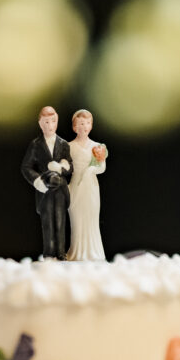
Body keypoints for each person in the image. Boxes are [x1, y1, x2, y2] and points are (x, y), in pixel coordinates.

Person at [21, 106, 73, 260]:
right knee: (47, 222)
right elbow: (26, 167)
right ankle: (49, 254)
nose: (50, 126)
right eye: (46, 122)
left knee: (60, 221)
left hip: (60, 189)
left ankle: (61, 253)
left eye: (53, 121)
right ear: (40, 124)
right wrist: (38, 181)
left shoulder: (63, 144)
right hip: (45, 189)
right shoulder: (36, 145)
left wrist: (62, 167)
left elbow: (70, 166)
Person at [65, 109, 106, 261]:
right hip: (76, 185)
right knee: (76, 219)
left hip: (91, 186)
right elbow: (65, 166)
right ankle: (76, 252)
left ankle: (93, 252)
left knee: (91, 219)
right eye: (81, 123)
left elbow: (102, 167)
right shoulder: (68, 146)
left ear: (91, 126)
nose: (84, 126)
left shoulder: (98, 146)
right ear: (75, 127)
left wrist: (91, 170)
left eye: (87, 123)